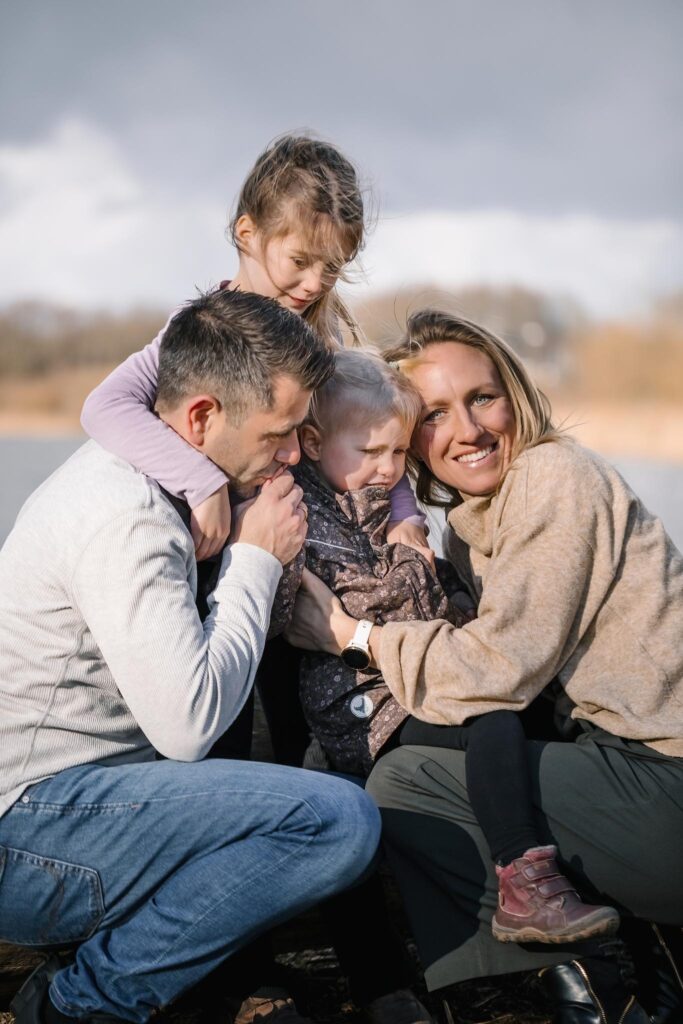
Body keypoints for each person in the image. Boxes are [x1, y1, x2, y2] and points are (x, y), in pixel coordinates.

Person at [284, 310, 683, 1023]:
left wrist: (353, 635)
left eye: (481, 397)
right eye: (434, 413)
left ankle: (594, 998)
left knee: (401, 780)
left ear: (517, 396)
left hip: (666, 779)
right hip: (628, 771)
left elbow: (498, 667)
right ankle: (625, 971)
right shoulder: (472, 525)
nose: (466, 429)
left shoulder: (553, 475)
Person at [0, 288, 383, 1024]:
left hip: (73, 803)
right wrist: (255, 559)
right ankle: (83, 1004)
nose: (295, 454)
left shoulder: (148, 477)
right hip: (25, 833)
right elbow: (189, 726)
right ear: (202, 416)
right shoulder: (127, 513)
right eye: (280, 433)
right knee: (337, 822)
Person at [293, 347, 620, 946]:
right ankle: (524, 876)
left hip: (407, 677)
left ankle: (595, 936)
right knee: (489, 713)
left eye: (398, 452)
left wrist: (422, 548)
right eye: (371, 453)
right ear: (312, 443)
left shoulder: (381, 505)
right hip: (364, 702)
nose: (388, 470)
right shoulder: (300, 524)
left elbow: (420, 573)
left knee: (520, 714)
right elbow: (327, 610)